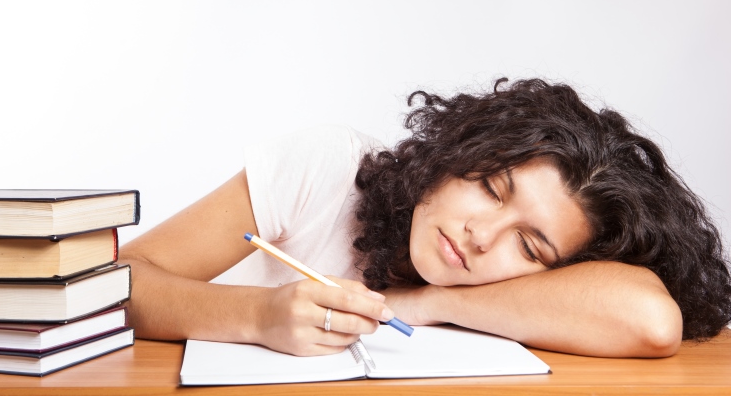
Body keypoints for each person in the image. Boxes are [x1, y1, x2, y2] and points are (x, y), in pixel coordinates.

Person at [119, 78, 731, 358]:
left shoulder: (508, 292)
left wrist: (426, 304)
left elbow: (651, 320)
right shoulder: (328, 166)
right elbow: (119, 284)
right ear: (455, 153)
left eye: (531, 248)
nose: (482, 236)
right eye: (491, 187)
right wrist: (259, 316)